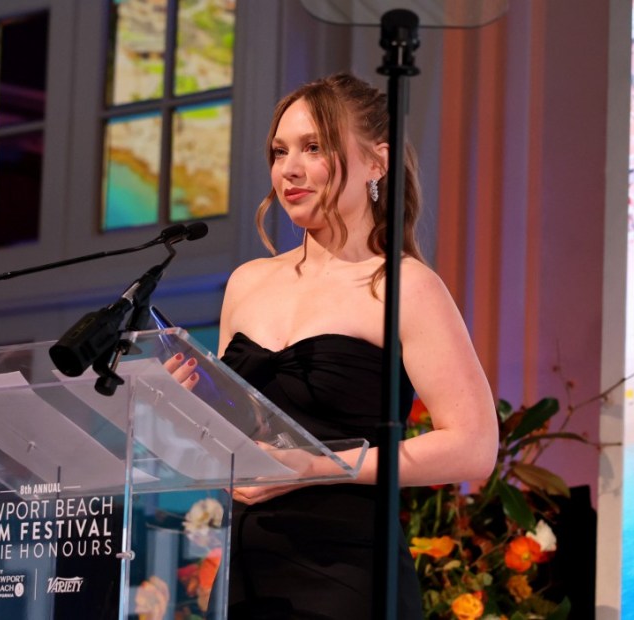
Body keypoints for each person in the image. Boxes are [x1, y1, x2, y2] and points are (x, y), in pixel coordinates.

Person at [167, 72, 498, 619]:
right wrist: (187, 413)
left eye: (313, 148)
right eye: (279, 151)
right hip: (250, 574)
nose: (288, 169)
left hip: (348, 575)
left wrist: (319, 466)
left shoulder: (403, 286)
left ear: (376, 162)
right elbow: (239, 449)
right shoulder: (247, 282)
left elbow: (474, 447)